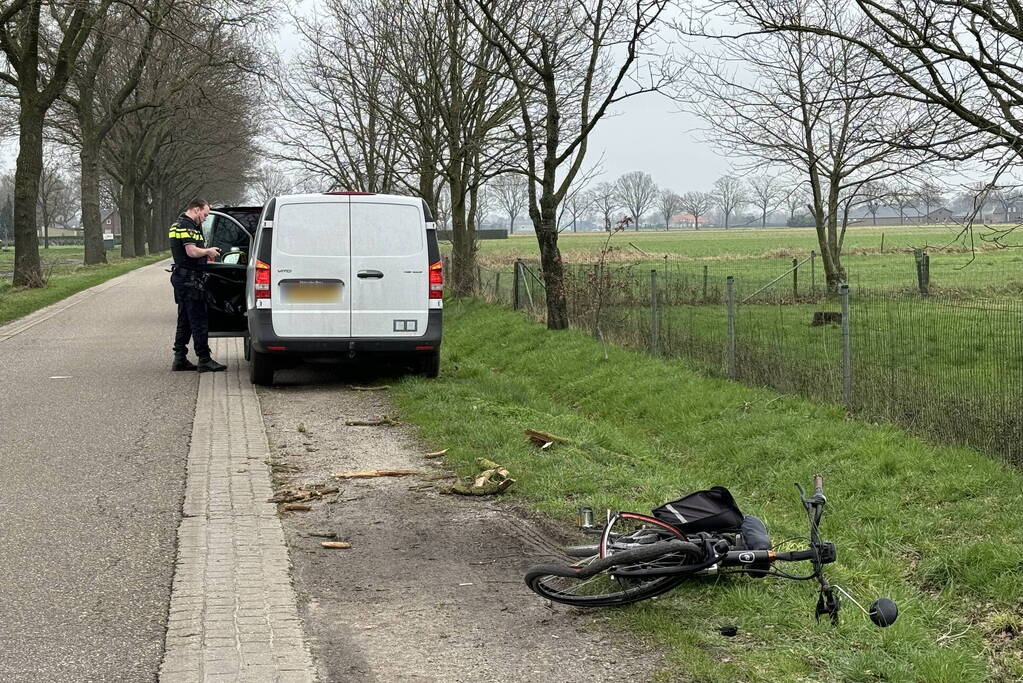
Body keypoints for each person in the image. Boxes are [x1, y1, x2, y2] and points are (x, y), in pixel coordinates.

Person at [169, 199, 227, 372]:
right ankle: (204, 359)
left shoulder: (177, 225)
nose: (205, 218)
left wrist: (205, 254)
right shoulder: (187, 226)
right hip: (190, 280)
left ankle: (179, 358)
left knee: (185, 319)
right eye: (205, 214)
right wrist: (207, 251)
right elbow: (191, 251)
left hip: (182, 277)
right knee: (199, 320)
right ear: (196, 209)